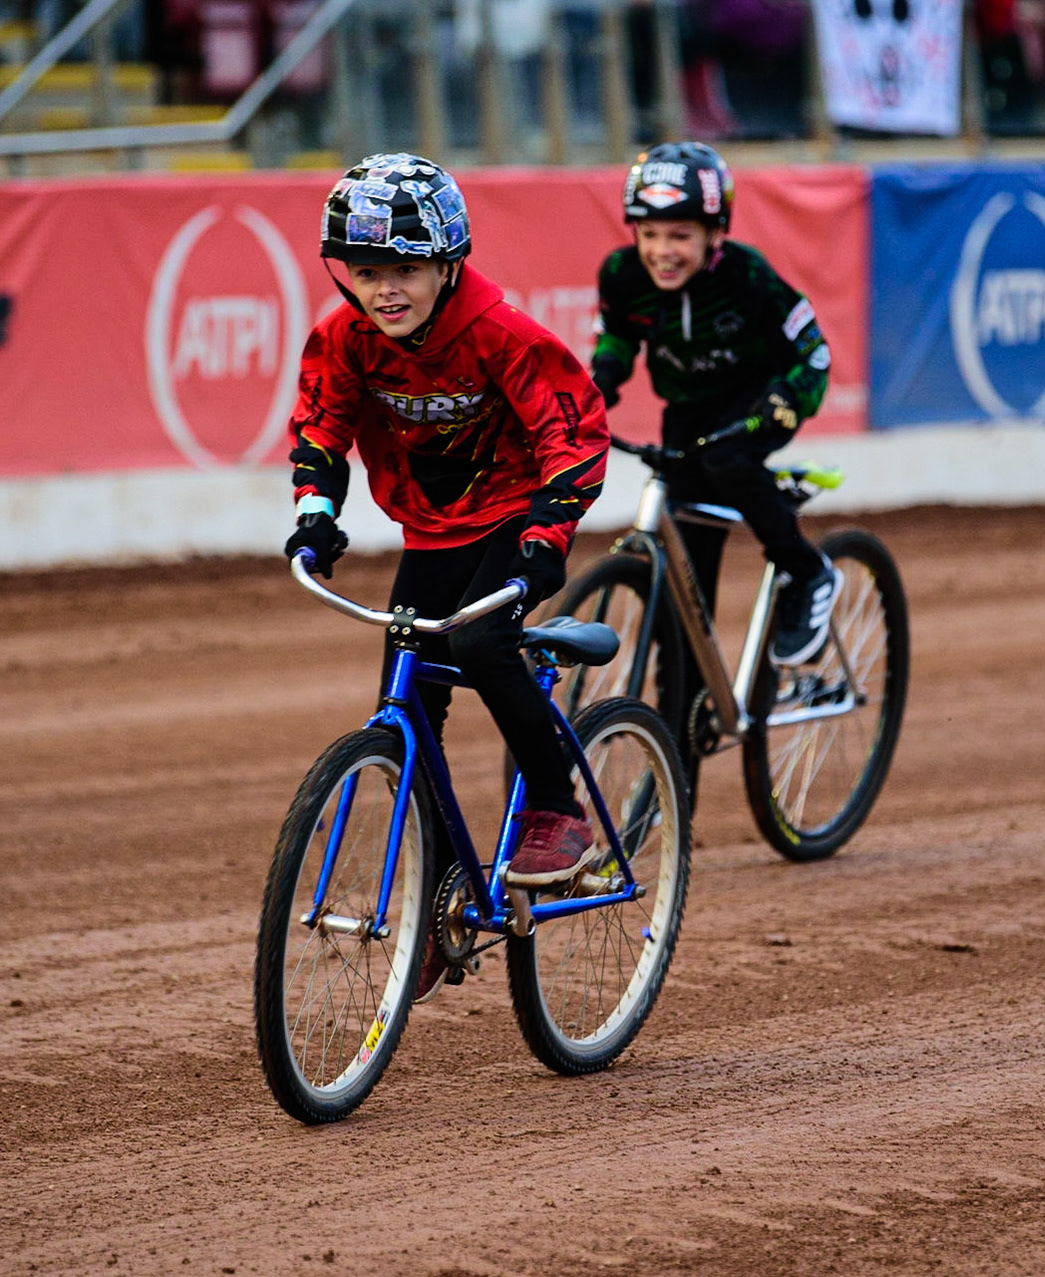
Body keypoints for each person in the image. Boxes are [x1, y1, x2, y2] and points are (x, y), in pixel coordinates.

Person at [282, 153, 611, 995]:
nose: (384, 290)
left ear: (447, 262)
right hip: (428, 531)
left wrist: (548, 532)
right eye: (365, 272)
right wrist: (316, 510)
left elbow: (571, 434)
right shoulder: (345, 335)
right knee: (405, 695)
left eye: (405, 270)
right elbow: (322, 426)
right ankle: (436, 895)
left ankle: (555, 803)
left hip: (510, 515)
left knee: (479, 642)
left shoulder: (499, 331)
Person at [590, 140, 840, 689]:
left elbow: (814, 354)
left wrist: (788, 400)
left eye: (681, 236)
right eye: (650, 234)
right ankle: (685, 726)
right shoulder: (622, 274)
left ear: (714, 233)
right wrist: (601, 382)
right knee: (687, 591)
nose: (663, 251)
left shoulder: (747, 277)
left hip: (758, 399)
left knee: (727, 460)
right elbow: (617, 336)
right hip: (685, 411)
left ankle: (808, 572)